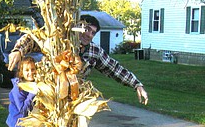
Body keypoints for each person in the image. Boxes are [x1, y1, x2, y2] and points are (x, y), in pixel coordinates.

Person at [8, 14, 148, 105]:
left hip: (74, 102)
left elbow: (114, 68)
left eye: (93, 32)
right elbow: (32, 39)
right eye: (86, 29)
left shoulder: (94, 51)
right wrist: (18, 50)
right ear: (78, 27)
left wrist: (137, 84)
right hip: (49, 99)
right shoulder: (59, 40)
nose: (89, 34)